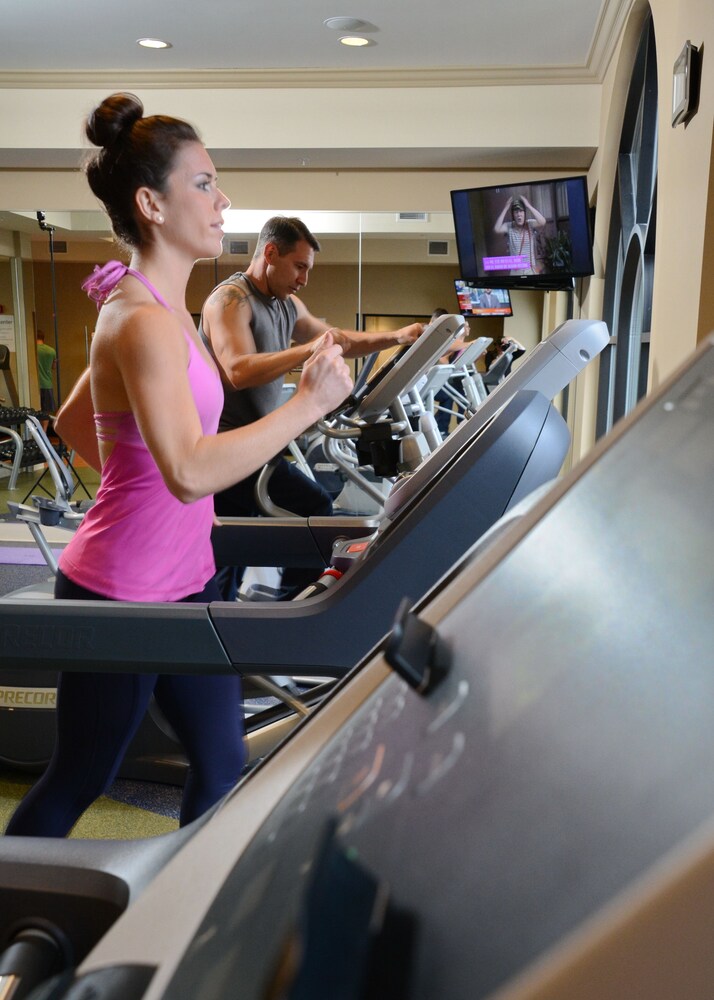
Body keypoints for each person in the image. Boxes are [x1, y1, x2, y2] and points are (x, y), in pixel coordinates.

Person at [5, 93, 352, 839]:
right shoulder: (140, 321)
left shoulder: (160, 308)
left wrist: (143, 490)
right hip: (121, 592)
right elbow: (190, 472)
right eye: (204, 183)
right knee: (80, 776)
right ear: (150, 205)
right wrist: (306, 406)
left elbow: (74, 423)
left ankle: (189, 924)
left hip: (183, 580)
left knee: (222, 767)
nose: (223, 200)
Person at [198, 215, 424, 600]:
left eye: (308, 269)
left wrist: (397, 337)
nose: (304, 278)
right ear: (270, 253)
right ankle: (245, 617)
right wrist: (308, 349)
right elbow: (236, 369)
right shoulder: (230, 300)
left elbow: (339, 340)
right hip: (227, 452)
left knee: (304, 511)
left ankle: (290, 604)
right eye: (299, 266)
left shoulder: (286, 303)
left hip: (260, 450)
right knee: (228, 556)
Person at [493, 195, 546, 275]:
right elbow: (497, 229)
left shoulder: (530, 224)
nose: (519, 215)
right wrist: (505, 208)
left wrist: (528, 206)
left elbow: (542, 221)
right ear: (513, 215)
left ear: (524, 213)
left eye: (521, 211)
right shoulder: (509, 226)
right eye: (516, 212)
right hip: (515, 271)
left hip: (530, 270)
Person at [36, 330, 57, 424]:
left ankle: (35, 433)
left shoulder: (32, 350)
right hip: (47, 384)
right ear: (43, 338)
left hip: (35, 385)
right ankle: (44, 432)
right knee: (46, 412)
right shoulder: (51, 350)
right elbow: (54, 367)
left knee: (34, 410)